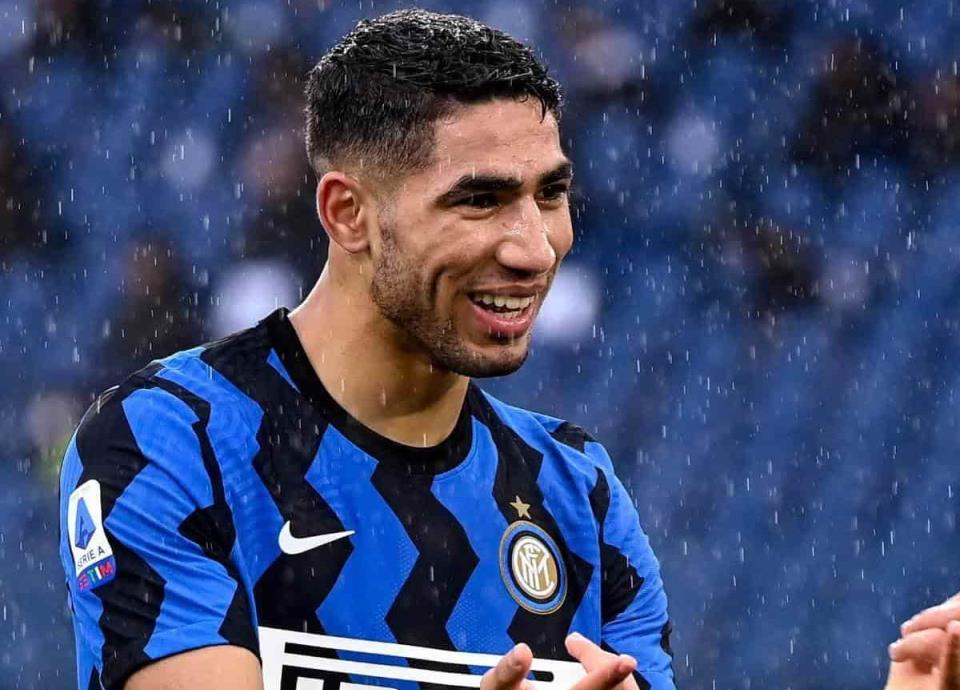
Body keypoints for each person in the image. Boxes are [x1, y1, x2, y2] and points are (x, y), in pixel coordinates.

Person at [58, 10, 675, 690]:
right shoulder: (172, 439)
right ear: (349, 214)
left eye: (550, 193)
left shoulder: (579, 492)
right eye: (480, 200)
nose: (535, 248)